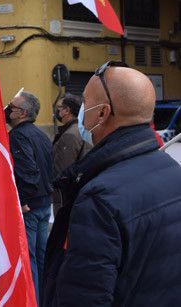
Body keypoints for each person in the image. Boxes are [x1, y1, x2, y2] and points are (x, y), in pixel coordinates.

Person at [43, 63, 181, 305]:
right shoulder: (171, 169)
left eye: (86, 101)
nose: (82, 109)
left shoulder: (99, 198)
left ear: (103, 113)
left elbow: (83, 296)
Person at [5, 90, 52, 297]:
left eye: (11, 107)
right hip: (43, 204)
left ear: (22, 113)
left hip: (30, 207)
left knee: (30, 258)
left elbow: (28, 172)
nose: (7, 110)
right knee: (41, 258)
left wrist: (23, 200)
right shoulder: (40, 135)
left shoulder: (18, 136)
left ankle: (34, 299)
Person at [51, 93, 90, 213]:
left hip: (65, 197)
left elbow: (62, 172)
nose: (57, 112)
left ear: (67, 110)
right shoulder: (82, 129)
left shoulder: (70, 134)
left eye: (59, 108)